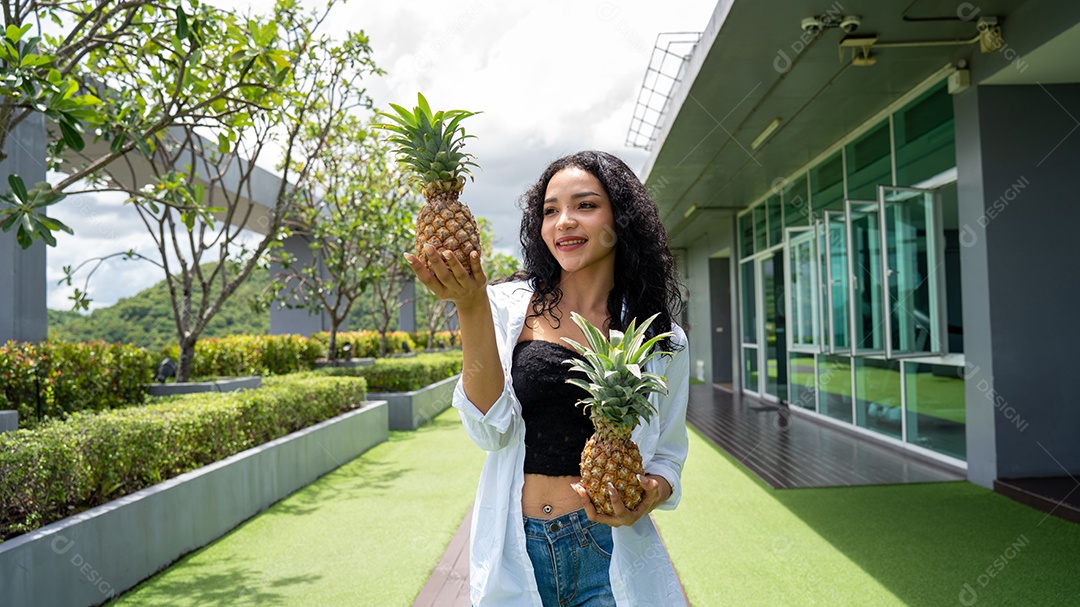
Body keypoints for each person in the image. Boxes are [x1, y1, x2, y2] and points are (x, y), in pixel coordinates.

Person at [405, 150, 690, 607]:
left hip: (606, 550)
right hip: (519, 546)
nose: (564, 222)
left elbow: (670, 455)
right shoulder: (504, 306)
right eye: (550, 210)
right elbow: (490, 431)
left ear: (622, 219)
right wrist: (470, 305)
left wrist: (649, 493)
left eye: (586, 205)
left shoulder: (662, 338)